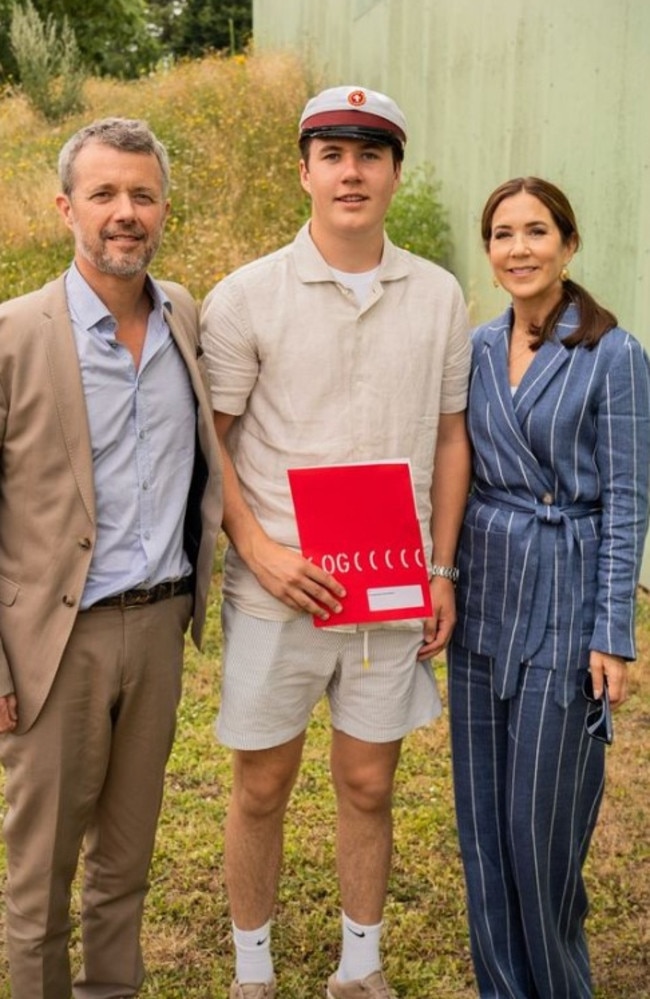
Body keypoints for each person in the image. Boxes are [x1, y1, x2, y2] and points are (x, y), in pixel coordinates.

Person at [200, 85, 471, 999]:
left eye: (371, 154)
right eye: (332, 154)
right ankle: (253, 973)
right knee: (262, 787)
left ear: (396, 171)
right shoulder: (246, 296)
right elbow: (217, 442)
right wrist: (261, 551)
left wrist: (440, 569)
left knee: (367, 783)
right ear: (304, 170)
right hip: (282, 587)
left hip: (391, 587)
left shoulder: (437, 293)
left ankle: (361, 969)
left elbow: (448, 438)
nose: (351, 172)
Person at [0, 117, 222, 999]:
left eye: (142, 194)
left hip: (161, 626)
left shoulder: (186, 318)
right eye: (104, 195)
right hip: (57, 645)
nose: (125, 213)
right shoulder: (15, 336)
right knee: (37, 882)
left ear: (164, 207)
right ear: (66, 208)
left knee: (126, 865)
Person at [447, 176, 650, 998]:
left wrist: (613, 632)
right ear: (488, 250)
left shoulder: (615, 354)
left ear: (568, 244)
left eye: (537, 231)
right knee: (483, 831)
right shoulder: (474, 348)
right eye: (502, 233)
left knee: (541, 835)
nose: (518, 248)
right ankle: (502, 986)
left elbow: (629, 500)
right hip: (483, 600)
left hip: (566, 607)